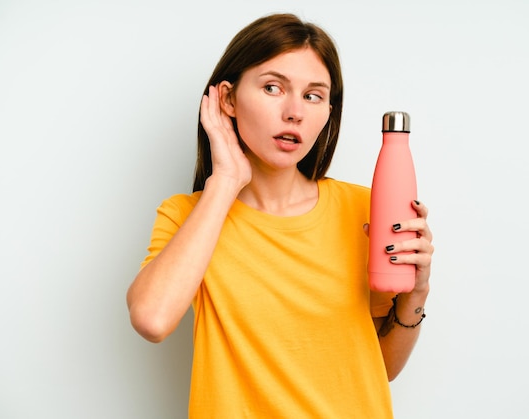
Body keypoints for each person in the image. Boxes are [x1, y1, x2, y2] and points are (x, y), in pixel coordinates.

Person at [127, 12, 434, 418]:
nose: (294, 112)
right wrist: (225, 182)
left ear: (328, 111)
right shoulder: (188, 216)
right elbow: (152, 319)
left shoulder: (364, 210)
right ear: (228, 99)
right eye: (273, 87)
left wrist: (416, 292)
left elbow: (380, 368)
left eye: (313, 95)